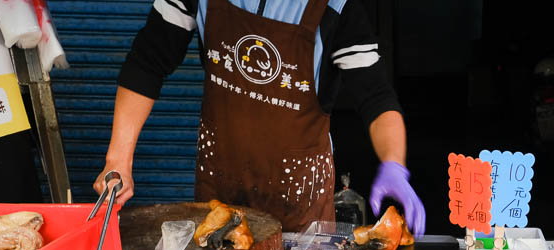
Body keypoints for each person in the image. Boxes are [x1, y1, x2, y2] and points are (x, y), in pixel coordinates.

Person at [94, 0, 425, 236]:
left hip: (301, 211)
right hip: (219, 197)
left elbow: (377, 97)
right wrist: (118, 158)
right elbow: (147, 61)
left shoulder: (339, 7)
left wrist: (393, 163)